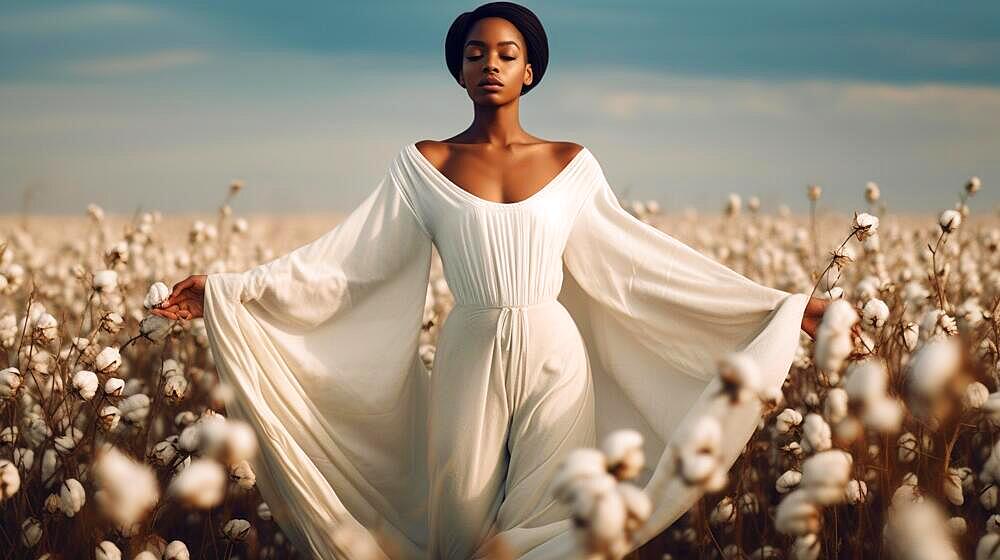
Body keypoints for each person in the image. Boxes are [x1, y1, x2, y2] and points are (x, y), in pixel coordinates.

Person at [154, 2, 831, 558]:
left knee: (547, 521)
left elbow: (642, 266)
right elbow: (345, 265)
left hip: (555, 354)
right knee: (460, 524)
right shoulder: (423, 163)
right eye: (475, 54)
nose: (490, 65)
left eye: (506, 54)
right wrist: (230, 288)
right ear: (458, 71)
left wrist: (782, 307)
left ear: (530, 70)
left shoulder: (572, 163)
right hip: (469, 351)